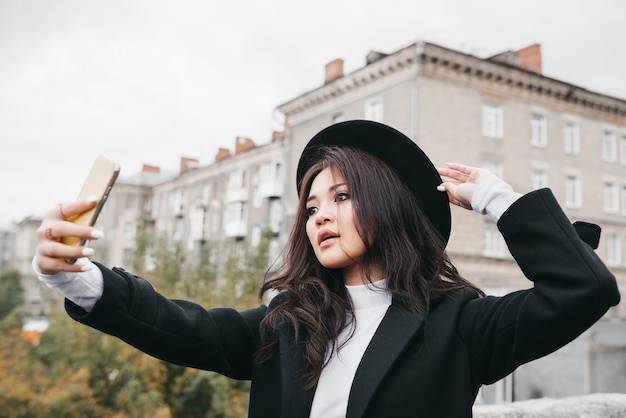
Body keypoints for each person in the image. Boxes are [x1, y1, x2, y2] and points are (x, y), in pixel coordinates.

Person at [34, 120, 620, 417]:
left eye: (342, 197)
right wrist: (76, 276)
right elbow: (184, 326)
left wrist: (498, 199)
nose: (320, 216)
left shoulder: (459, 325)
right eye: (311, 206)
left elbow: (582, 289)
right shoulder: (287, 326)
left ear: (388, 205)